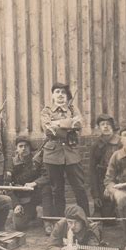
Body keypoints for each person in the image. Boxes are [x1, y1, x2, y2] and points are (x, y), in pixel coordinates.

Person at [40, 83, 90, 216]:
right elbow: (48, 131)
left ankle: (87, 219)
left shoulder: (73, 109)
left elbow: (79, 125)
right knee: (57, 189)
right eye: (57, 92)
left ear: (67, 96)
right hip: (52, 154)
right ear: (52, 95)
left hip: (71, 153)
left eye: (63, 92)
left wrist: (57, 124)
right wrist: (69, 124)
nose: (60, 95)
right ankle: (59, 220)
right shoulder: (46, 111)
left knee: (79, 187)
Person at [8, 135, 54, 234]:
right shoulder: (11, 163)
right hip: (22, 198)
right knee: (19, 226)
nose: (23, 149)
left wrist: (34, 183)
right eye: (20, 146)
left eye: (26, 146)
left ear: (30, 148)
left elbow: (47, 176)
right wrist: (16, 204)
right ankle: (31, 212)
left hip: (35, 194)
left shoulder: (36, 160)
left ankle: (47, 222)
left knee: (47, 188)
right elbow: (7, 186)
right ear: (16, 148)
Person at [89, 114, 121, 218]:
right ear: (99, 128)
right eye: (102, 124)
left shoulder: (120, 143)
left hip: (117, 178)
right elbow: (92, 170)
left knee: (112, 217)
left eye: (108, 124)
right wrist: (96, 196)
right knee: (102, 218)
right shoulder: (96, 145)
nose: (106, 126)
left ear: (113, 126)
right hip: (101, 179)